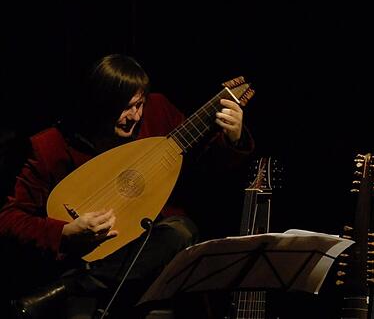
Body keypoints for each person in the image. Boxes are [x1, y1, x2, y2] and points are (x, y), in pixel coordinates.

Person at [0, 54, 254, 318]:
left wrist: (232, 139)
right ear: (98, 105)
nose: (135, 116)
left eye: (139, 104)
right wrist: (64, 232)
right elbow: (8, 219)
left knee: (181, 230)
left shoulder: (157, 113)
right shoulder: (50, 147)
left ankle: (72, 286)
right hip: (85, 256)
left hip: (151, 251)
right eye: (125, 108)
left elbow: (207, 172)